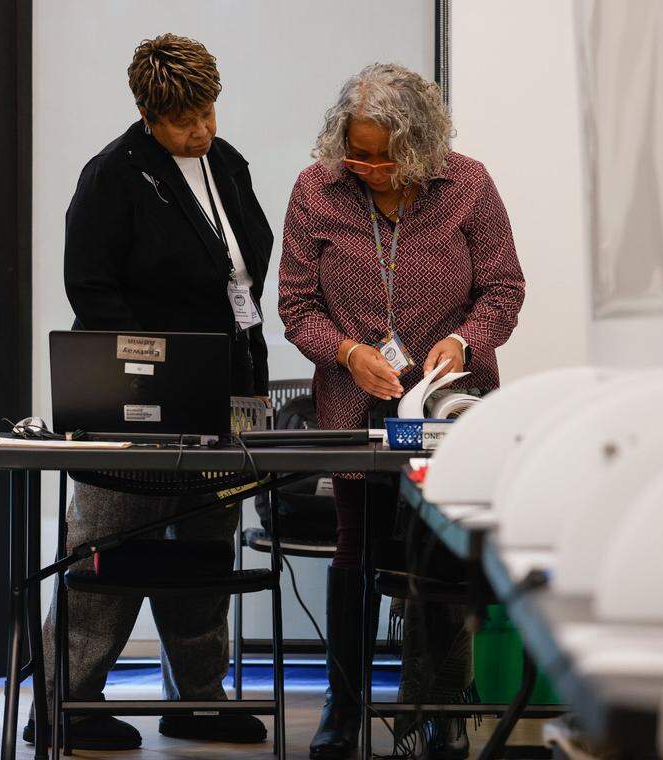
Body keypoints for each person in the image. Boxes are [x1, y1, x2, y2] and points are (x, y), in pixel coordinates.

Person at [26, 33, 273, 750]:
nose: (199, 129)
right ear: (146, 113)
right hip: (134, 400)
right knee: (106, 546)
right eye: (182, 120)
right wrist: (152, 376)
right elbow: (94, 291)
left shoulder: (226, 164)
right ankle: (65, 704)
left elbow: (244, 278)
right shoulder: (112, 176)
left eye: (206, 112)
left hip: (228, 389)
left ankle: (198, 697)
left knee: (207, 542)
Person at [279, 62, 526, 759]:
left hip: (449, 408)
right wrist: (348, 351)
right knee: (355, 549)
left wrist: (463, 341)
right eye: (358, 152)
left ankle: (439, 711)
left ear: (422, 144)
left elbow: (503, 289)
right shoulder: (315, 190)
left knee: (444, 557)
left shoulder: (467, 184)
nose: (373, 167)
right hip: (354, 403)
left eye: (388, 156)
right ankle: (343, 707)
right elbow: (297, 305)